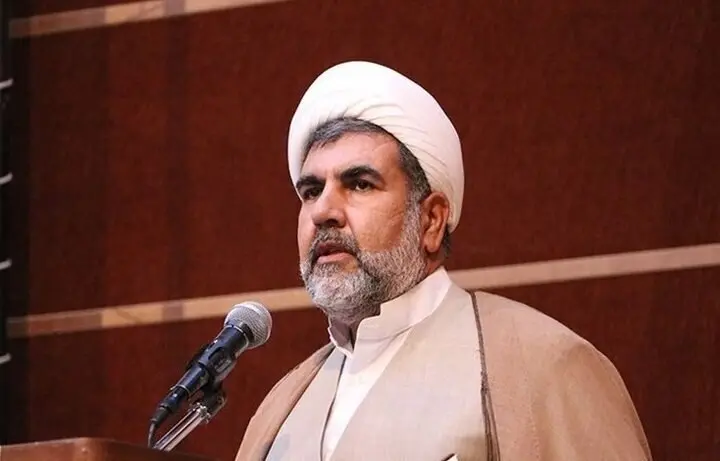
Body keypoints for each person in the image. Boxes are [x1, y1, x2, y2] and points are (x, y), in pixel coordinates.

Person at [235, 61, 652, 461]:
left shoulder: (542, 366)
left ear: (431, 220)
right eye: (311, 191)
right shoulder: (283, 410)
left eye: (360, 184)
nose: (323, 211)